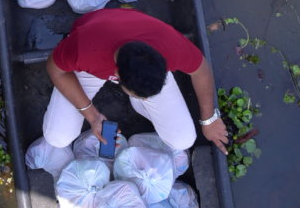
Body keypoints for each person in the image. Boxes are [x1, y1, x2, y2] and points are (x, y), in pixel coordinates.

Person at [43, 8, 229, 155]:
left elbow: (201, 70)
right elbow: (55, 70)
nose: (147, 98)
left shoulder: (171, 47)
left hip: (137, 52)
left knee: (183, 140)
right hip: (89, 61)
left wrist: (208, 119)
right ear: (116, 75)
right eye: (141, 95)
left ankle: (141, 104)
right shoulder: (84, 49)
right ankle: (137, 101)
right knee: (57, 138)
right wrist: (92, 115)